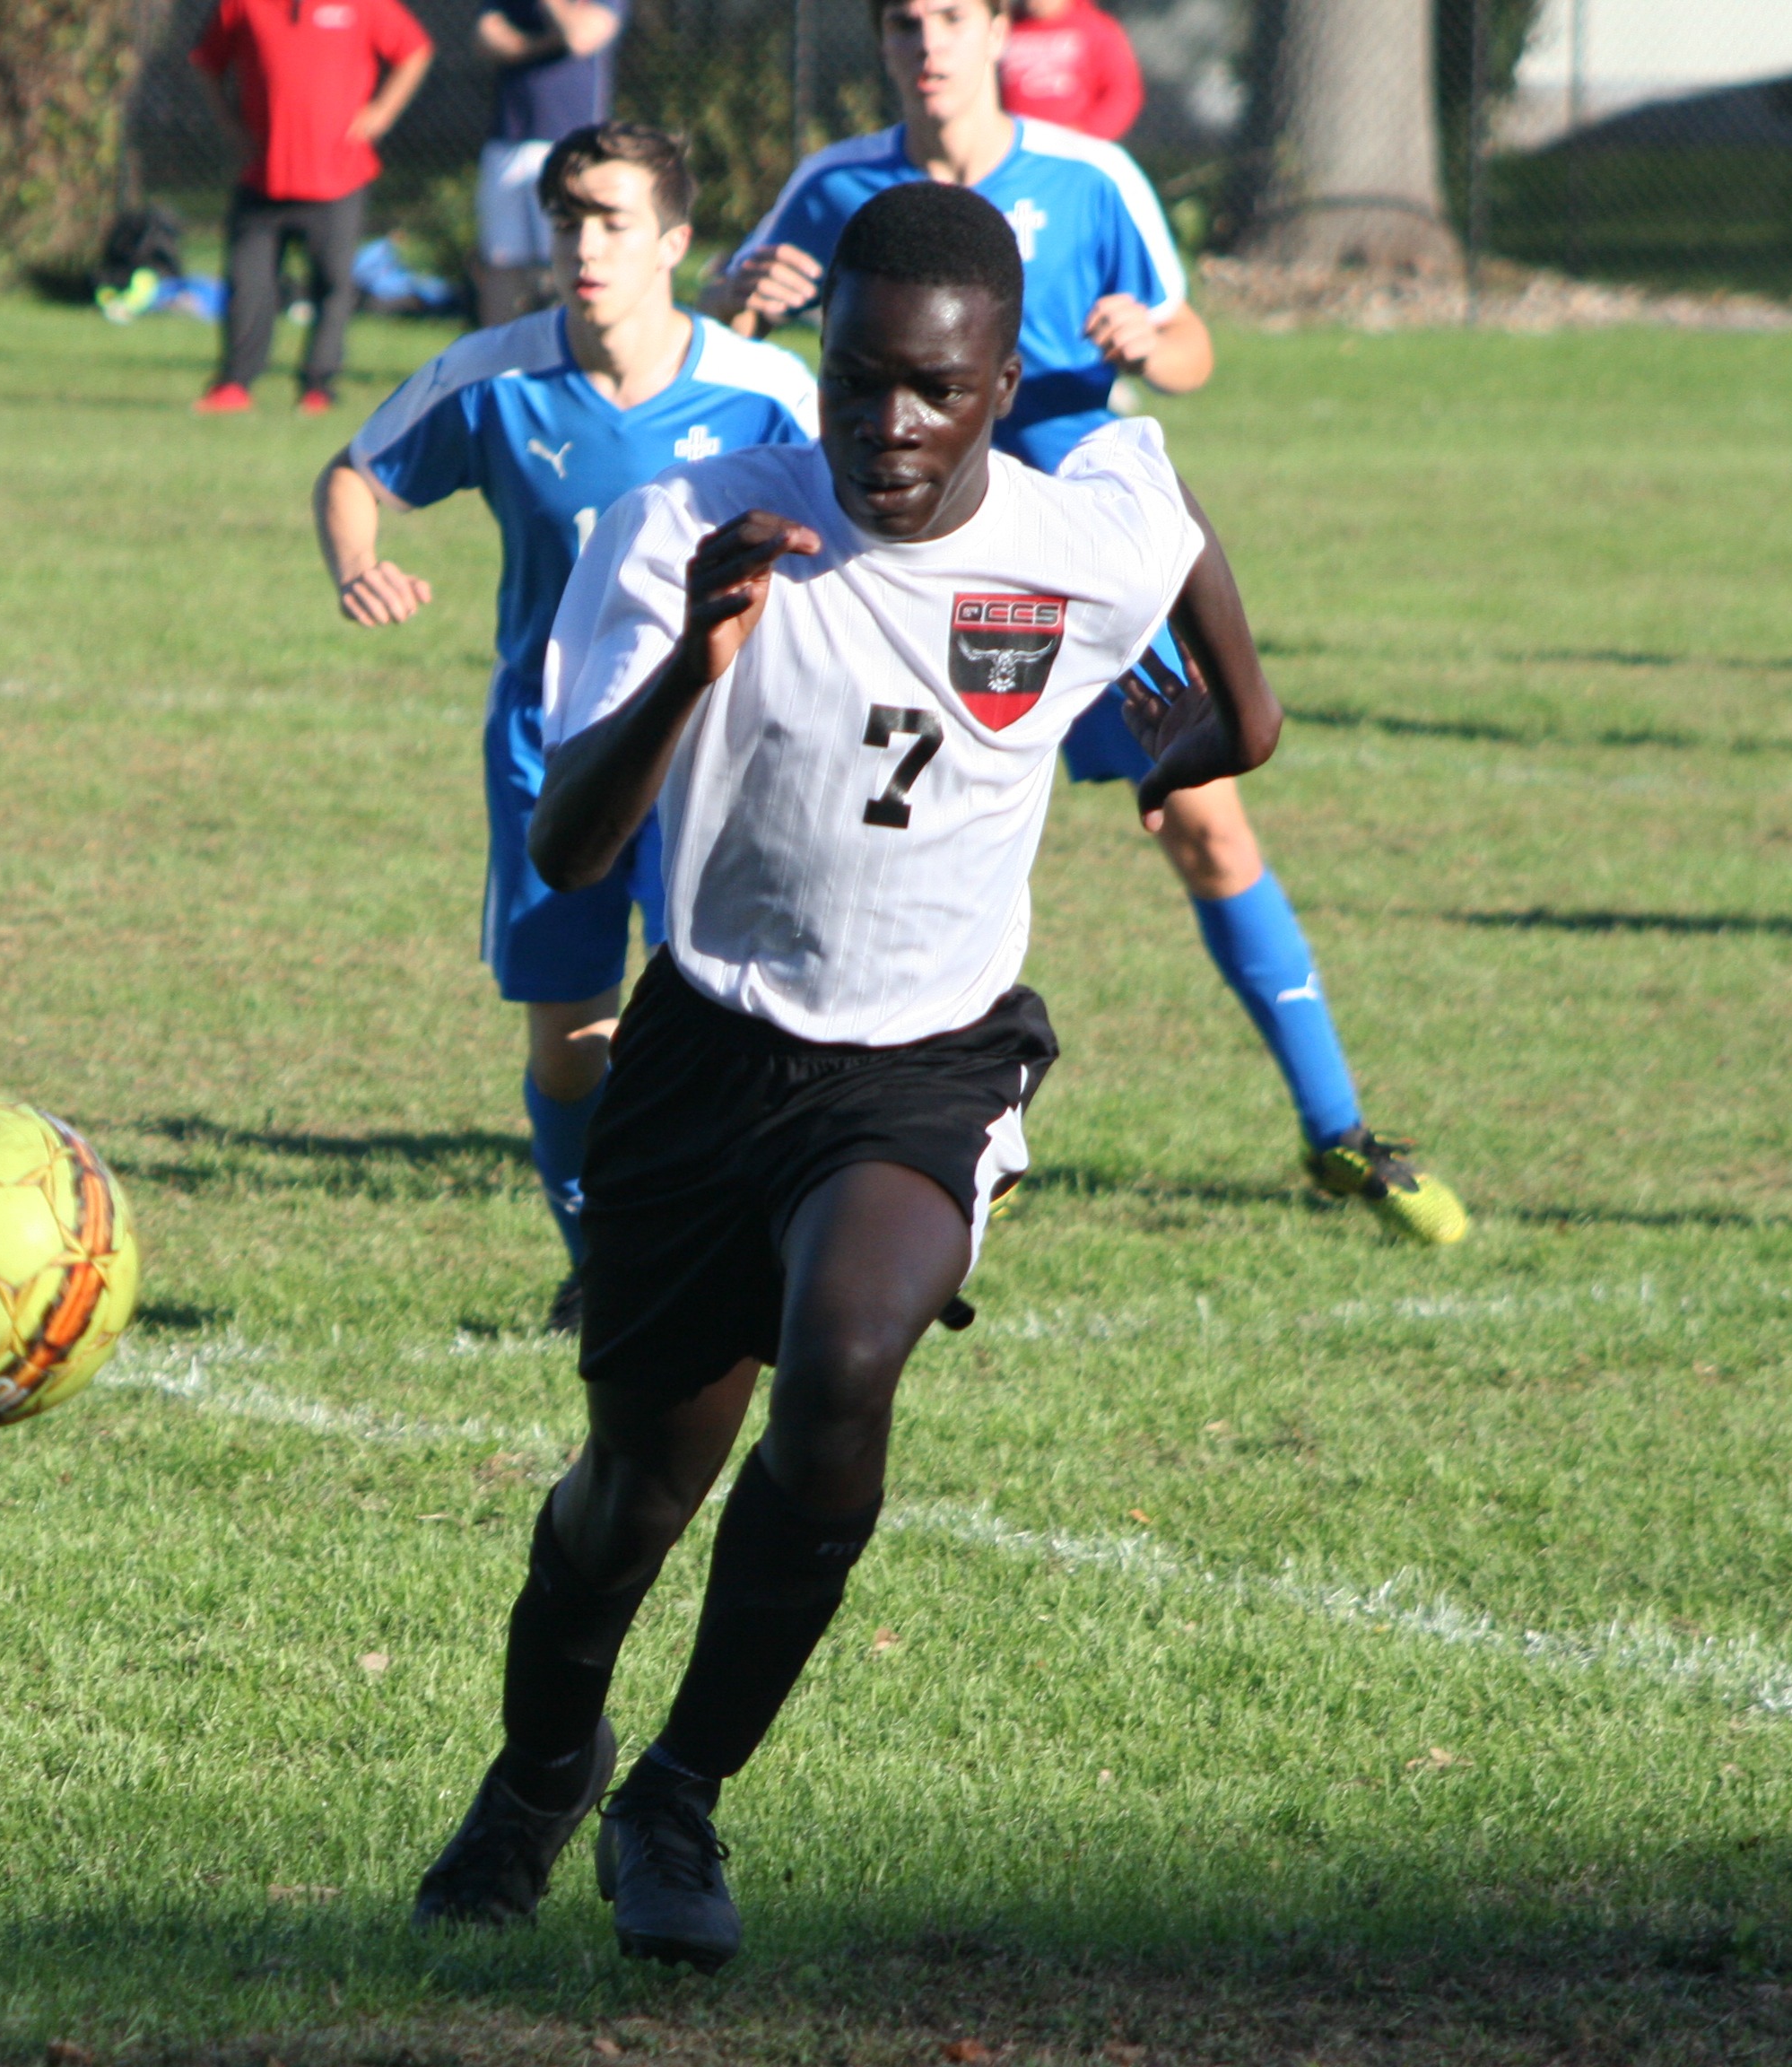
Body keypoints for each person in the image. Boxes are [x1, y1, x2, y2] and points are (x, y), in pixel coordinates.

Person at [409, 179, 1280, 1972]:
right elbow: (574, 851)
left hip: (929, 1062)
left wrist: (1197, 732)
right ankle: (538, 1775)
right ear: (819, 357)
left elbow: (1176, 554)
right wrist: (688, 665)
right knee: (628, 1496)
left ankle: (679, 1793)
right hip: (708, 1049)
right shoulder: (685, 523)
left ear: (998, 382)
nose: (891, 426)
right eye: (860, 381)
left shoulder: (1074, 532)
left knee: (851, 1357)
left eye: (939, 393)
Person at [702, 0, 1466, 1244]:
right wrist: (745, 295)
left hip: (1069, 573)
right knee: (866, 830)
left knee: (1207, 824)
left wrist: (1157, 340)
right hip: (900, 577)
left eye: (953, 16)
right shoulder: (835, 184)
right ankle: (836, 1110)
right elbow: (734, 326)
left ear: (1003, 27)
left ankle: (1338, 1132)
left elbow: (1190, 345)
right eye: (903, 21)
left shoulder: (1092, 176)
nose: (927, 42)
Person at [315, 123, 816, 1332]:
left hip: (713, 743)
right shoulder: (494, 376)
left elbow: (846, 526)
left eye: (613, 221)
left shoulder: (763, 393)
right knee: (574, 1043)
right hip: (553, 750)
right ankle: (603, 1263)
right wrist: (357, 560)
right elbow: (354, 471)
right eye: (566, 221)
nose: (584, 246)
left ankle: (752, 1242)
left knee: (733, 1016)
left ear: (676, 243)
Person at [190, 0, 435, 416]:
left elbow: (415, 50)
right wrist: (229, 123)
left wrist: (382, 112)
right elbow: (206, 61)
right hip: (263, 175)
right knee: (248, 282)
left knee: (332, 283)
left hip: (338, 176)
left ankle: (318, 384)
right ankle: (234, 383)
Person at [471, 0, 627, 329]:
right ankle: (499, 364)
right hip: (508, 141)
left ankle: (565, 358)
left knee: (567, 258)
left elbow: (580, 37)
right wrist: (543, 44)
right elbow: (486, 39)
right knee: (502, 261)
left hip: (571, 142)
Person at [996, 0, 1140, 141]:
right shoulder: (1008, 27)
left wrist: (1084, 133)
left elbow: (1122, 91)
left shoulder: (1096, 29)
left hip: (1075, 148)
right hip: (1015, 144)